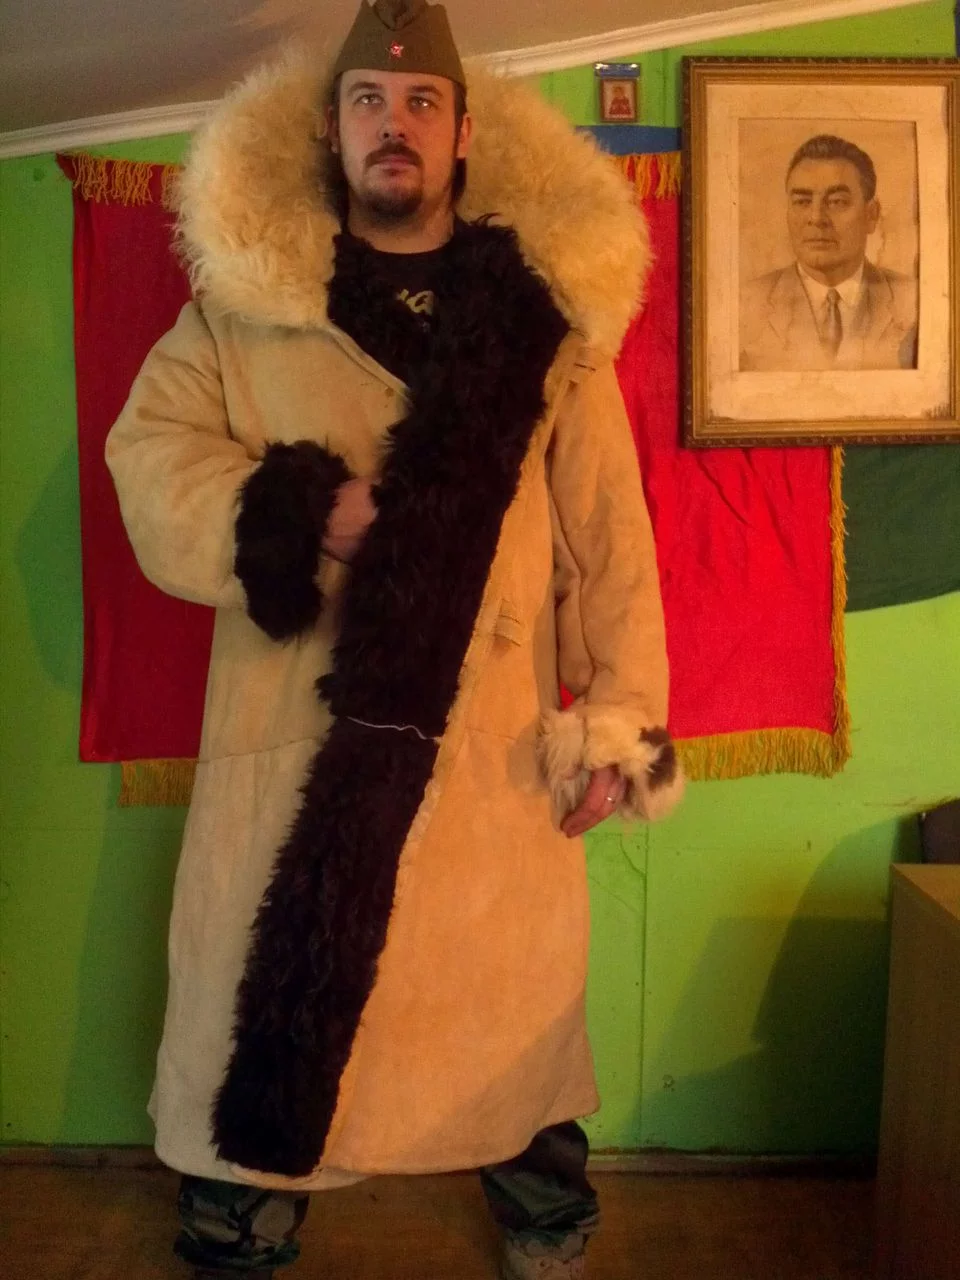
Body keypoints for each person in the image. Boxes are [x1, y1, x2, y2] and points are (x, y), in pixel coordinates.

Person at [105, 2, 683, 1276]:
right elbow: (150, 460)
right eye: (369, 100)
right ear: (331, 128)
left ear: (465, 133)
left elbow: (608, 538)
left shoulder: (539, 327)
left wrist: (619, 718)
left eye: (423, 103)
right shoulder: (245, 311)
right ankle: (245, 1208)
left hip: (484, 749)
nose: (395, 124)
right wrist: (306, 509)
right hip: (298, 733)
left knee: (506, 1016)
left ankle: (544, 1208)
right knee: (267, 991)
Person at [739, 133, 918, 371]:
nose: (816, 218)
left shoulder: (915, 302)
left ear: (871, 215)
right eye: (802, 202)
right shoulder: (744, 305)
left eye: (837, 202)